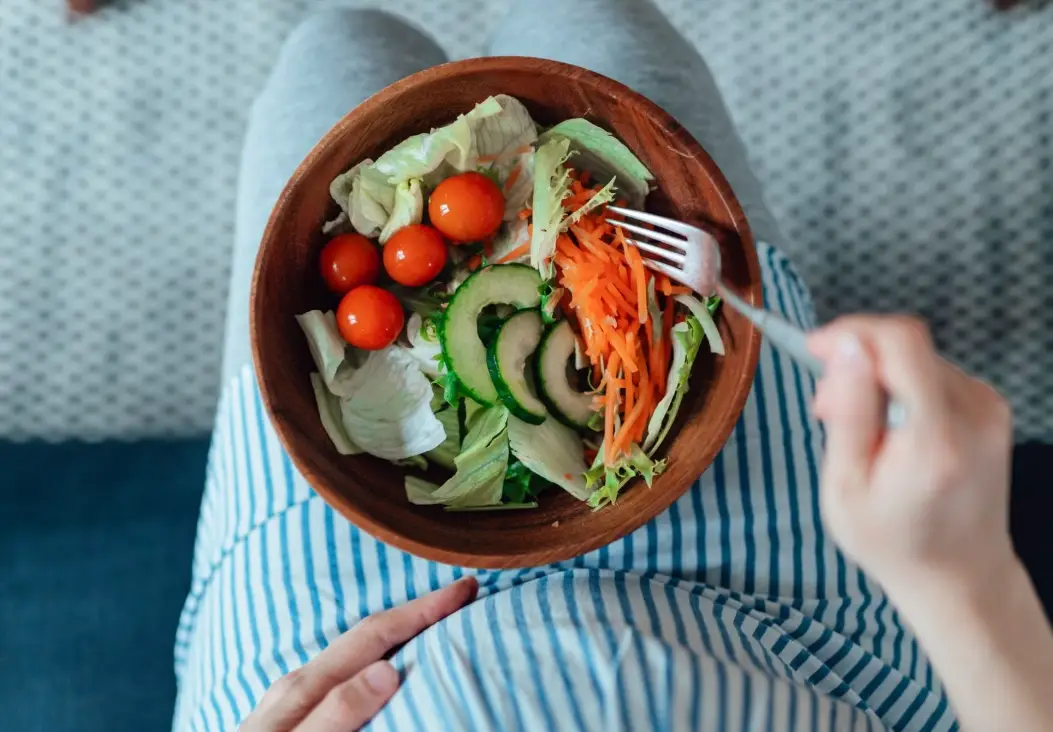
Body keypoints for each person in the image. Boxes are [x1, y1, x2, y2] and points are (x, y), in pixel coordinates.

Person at [172, 2, 1053, 730]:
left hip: (346, 634)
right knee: (593, 19)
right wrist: (970, 586)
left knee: (335, 45)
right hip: (792, 613)